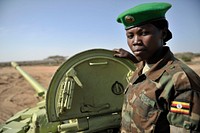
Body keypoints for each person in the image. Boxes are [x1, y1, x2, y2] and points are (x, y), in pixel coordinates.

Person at [113, 2, 200, 133]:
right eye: (130, 36)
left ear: (163, 34)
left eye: (144, 33)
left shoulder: (181, 83)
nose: (136, 41)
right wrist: (132, 58)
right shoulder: (142, 67)